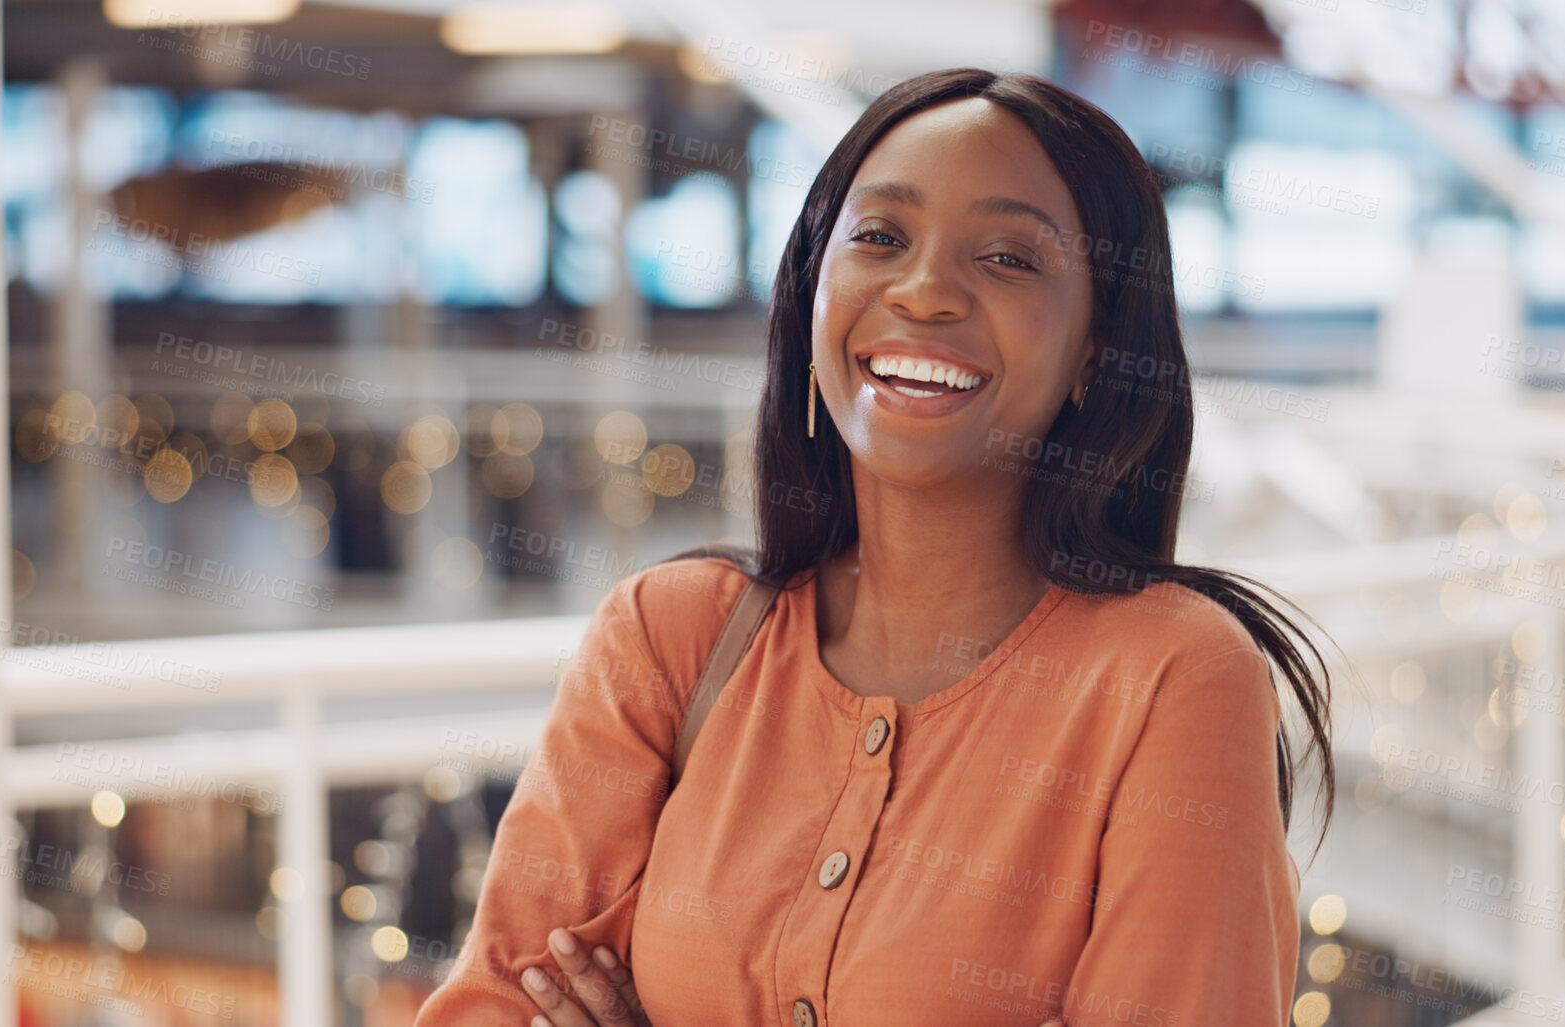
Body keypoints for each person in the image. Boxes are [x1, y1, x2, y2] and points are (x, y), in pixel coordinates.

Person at [413, 67, 1335, 1027]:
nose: (925, 291)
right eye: (880, 237)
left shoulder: (1170, 678)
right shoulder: (668, 639)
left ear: (1095, 351)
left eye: (1009, 258)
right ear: (815, 290)